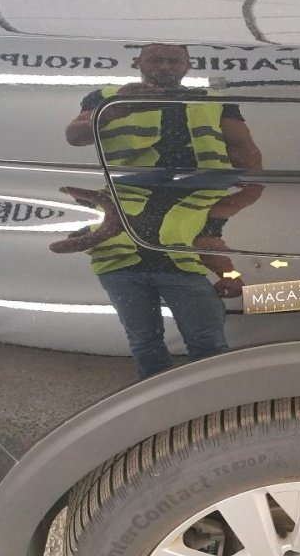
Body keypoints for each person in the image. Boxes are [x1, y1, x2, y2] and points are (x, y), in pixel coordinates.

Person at [51, 44, 262, 378]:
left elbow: (240, 148)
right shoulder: (106, 96)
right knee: (147, 343)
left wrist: (255, 185)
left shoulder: (213, 101)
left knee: (207, 345)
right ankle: (162, 397)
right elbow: (75, 136)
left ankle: (210, 397)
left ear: (188, 65)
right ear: (139, 62)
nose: (165, 65)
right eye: (156, 59)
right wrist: (117, 107)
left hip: (177, 266)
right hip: (120, 264)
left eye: (174, 60)